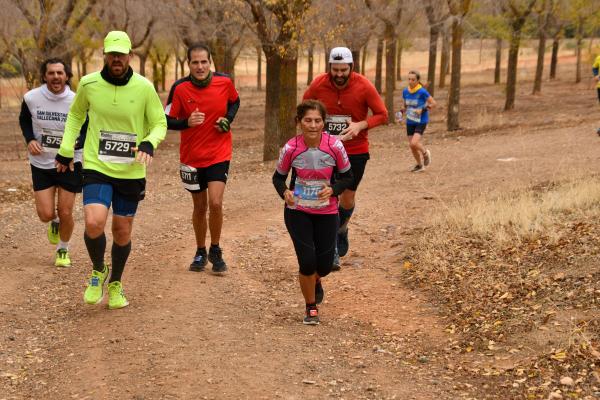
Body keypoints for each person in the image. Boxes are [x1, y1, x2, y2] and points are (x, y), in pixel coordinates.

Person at [55, 31, 167, 309]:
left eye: (122, 53)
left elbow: (159, 123)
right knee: (94, 222)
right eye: (112, 53)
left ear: (130, 55)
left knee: (121, 231)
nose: (117, 58)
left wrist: (149, 142)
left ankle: (115, 282)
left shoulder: (144, 87)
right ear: (104, 55)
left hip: (131, 170)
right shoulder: (89, 83)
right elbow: (76, 115)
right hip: (97, 165)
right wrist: (66, 147)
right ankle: (97, 270)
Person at [303, 46, 388, 270]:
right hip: (325, 150)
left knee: (347, 199)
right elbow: (303, 108)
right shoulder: (319, 84)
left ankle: (341, 228)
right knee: (329, 197)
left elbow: (383, 114)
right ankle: (329, 249)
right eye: (335, 70)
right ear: (329, 67)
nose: (339, 74)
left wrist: (361, 125)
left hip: (355, 151)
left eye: (344, 70)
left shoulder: (364, 85)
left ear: (351, 67)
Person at [272, 100, 353, 325]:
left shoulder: (335, 146)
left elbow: (348, 177)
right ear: (299, 122)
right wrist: (285, 192)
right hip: (298, 211)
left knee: (324, 266)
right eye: (308, 120)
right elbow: (278, 178)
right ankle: (311, 307)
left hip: (327, 212)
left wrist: (333, 189)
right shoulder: (291, 148)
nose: (313, 125)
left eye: (318, 120)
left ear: (324, 123)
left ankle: (315, 280)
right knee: (307, 262)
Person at [165, 43, 240, 274]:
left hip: (219, 152)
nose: (200, 66)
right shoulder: (180, 88)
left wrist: (227, 119)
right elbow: (166, 120)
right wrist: (186, 122)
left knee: (215, 203)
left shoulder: (224, 82)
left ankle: (216, 249)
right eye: (195, 62)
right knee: (199, 206)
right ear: (188, 64)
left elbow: (234, 102)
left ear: (210, 62)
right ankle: (200, 251)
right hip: (191, 157)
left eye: (204, 62)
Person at [19, 58, 87, 267]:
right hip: (42, 161)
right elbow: (24, 119)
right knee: (46, 214)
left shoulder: (77, 99)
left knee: (66, 211)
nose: (56, 77)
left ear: (67, 76)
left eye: (60, 73)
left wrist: (78, 143)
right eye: (51, 73)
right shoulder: (31, 97)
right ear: (44, 76)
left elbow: (88, 126)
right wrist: (30, 139)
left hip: (71, 162)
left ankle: (63, 250)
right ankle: (54, 222)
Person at [400, 70, 436, 172]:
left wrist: (422, 109)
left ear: (418, 80)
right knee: (412, 146)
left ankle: (425, 153)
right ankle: (420, 165)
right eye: (409, 79)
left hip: (421, 120)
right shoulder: (405, 91)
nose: (410, 81)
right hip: (410, 121)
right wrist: (401, 111)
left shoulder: (422, 92)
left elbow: (433, 103)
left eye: (413, 79)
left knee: (414, 143)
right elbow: (404, 105)